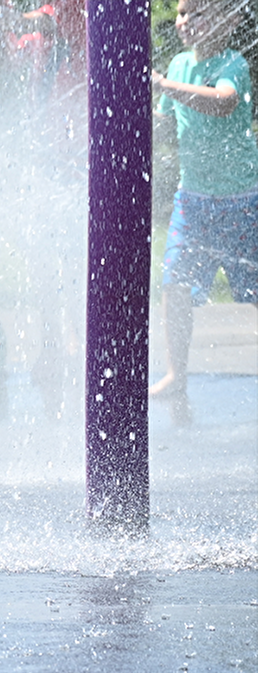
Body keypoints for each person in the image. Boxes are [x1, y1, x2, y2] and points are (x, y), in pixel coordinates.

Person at [149, 0, 258, 415]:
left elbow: (223, 102)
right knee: (174, 285)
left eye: (198, 12)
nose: (185, 21)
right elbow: (162, 124)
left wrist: (166, 87)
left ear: (229, 21)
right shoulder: (177, 65)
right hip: (192, 201)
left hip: (241, 201)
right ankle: (177, 374)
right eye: (180, 13)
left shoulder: (234, 64)